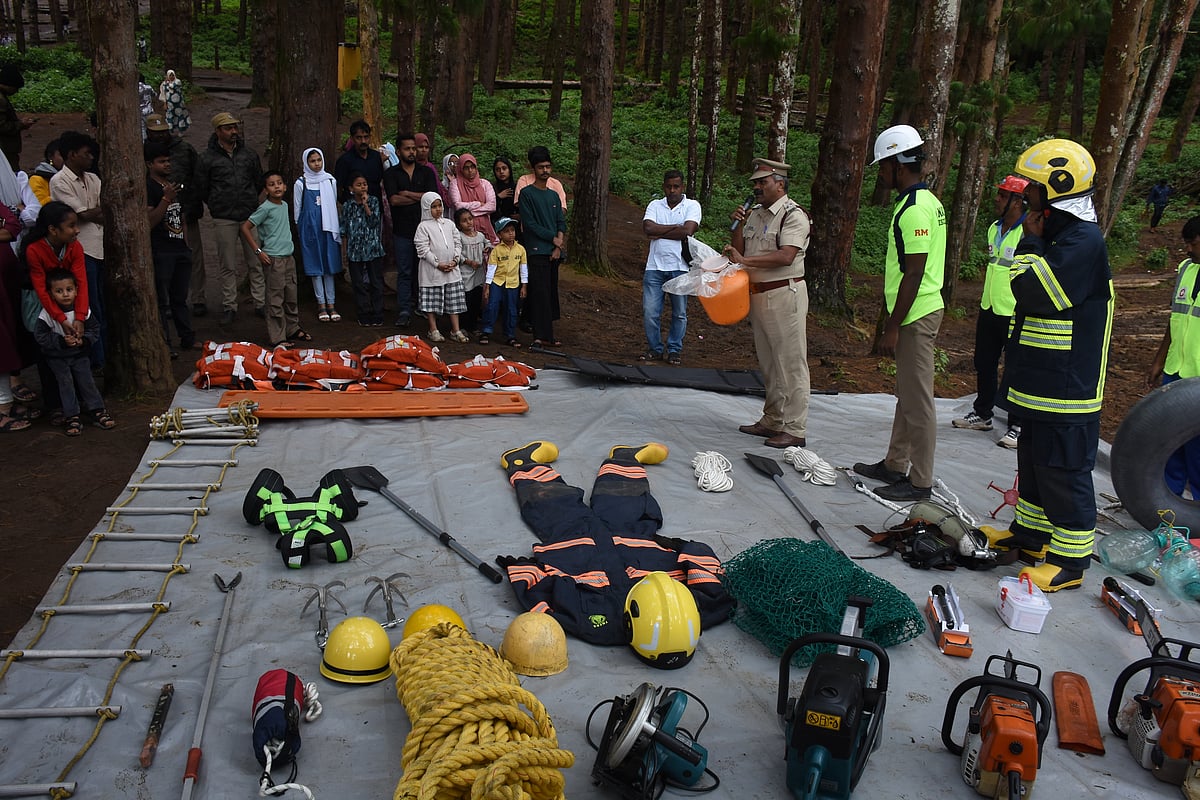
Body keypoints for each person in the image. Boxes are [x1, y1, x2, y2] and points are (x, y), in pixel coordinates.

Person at [982, 139, 1114, 593]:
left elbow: (1034, 289)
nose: (1023, 197)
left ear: (1055, 190)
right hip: (1041, 381)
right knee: (1035, 463)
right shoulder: (1060, 235)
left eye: (1030, 189)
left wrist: (1031, 240)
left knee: (1064, 470)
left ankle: (1070, 561)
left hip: (1067, 386)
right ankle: (1031, 536)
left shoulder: (1082, 240)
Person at [494, 440, 734, 645]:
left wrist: (524, 568)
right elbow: (711, 577)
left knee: (555, 507)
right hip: (632, 540)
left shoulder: (594, 626)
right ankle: (625, 459)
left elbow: (537, 597)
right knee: (625, 504)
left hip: (575, 546)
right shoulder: (698, 610)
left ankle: (523, 463)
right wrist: (681, 547)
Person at [852, 125, 946, 501]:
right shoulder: (923, 202)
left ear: (897, 164)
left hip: (916, 314)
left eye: (883, 166)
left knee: (918, 400)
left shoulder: (915, 210)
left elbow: (915, 271)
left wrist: (892, 327)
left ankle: (920, 481)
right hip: (915, 310)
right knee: (906, 393)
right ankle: (895, 464)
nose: (881, 174)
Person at [952, 174, 1028, 448]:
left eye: (1003, 195)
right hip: (990, 306)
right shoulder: (993, 228)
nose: (997, 199)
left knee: (1016, 368)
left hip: (1014, 310)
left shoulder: (1027, 233)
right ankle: (983, 413)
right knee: (984, 361)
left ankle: (1018, 424)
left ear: (1018, 201)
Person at [195, 111, 265, 326]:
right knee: (227, 264)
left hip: (249, 216)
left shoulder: (249, 155)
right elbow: (201, 187)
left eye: (235, 127)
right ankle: (229, 305)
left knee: (257, 260)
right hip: (223, 217)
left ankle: (260, 303)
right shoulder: (207, 158)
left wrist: (252, 201)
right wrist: (217, 204)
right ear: (218, 131)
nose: (234, 131)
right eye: (228, 128)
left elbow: (258, 180)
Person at [1146, 215, 1200, 497]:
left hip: (1198, 379)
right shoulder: (1186, 269)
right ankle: (1168, 511)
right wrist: (1158, 360)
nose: (1188, 250)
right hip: (1175, 370)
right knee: (1171, 445)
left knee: (1197, 450)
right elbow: (1176, 319)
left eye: (1193, 243)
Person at [49, 130, 105, 371]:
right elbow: (82, 214)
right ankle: (96, 359)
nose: (91, 158)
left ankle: (103, 356)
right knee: (89, 306)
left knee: (103, 303)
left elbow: (98, 211)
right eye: (86, 154)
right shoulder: (59, 181)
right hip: (81, 250)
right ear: (72, 155)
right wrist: (101, 212)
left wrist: (99, 212)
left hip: (101, 247)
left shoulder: (93, 178)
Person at [33, 268, 113, 436]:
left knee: (87, 382)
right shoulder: (47, 314)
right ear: (51, 293)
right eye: (59, 291)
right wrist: (61, 341)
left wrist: (83, 341)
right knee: (65, 385)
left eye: (69, 289)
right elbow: (41, 336)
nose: (65, 294)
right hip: (57, 359)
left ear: (76, 290)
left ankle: (97, 410)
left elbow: (94, 329)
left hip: (79, 355)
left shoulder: (83, 311)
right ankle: (71, 415)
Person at [145, 114, 208, 317]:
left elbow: (198, 175)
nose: (160, 135)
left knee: (193, 256)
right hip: (156, 215)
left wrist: (194, 202)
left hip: (186, 211)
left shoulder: (184, 148)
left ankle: (198, 298)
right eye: (155, 132)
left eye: (163, 131)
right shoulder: (143, 151)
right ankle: (165, 303)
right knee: (162, 264)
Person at [241, 171, 309, 348]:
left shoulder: (284, 205)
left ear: (285, 187)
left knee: (291, 295)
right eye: (272, 184)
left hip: (288, 258)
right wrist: (258, 251)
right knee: (275, 299)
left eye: (279, 183)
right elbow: (246, 227)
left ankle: (292, 328)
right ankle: (278, 337)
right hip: (273, 259)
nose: (277, 186)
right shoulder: (264, 208)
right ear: (265, 190)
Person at [642, 169, 701, 366]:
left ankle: (674, 349)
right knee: (650, 311)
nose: (672, 190)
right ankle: (655, 348)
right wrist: (676, 228)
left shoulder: (692, 205)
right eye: (669, 186)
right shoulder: (654, 205)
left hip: (681, 267)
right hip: (654, 267)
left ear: (682, 187)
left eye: (676, 186)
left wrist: (661, 231)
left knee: (680, 312)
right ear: (664, 187)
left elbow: (688, 231)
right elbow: (648, 229)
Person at [382, 133, 439, 327]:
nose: (412, 152)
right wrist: (419, 197)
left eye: (414, 148)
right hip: (403, 231)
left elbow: (432, 198)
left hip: (425, 231)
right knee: (405, 271)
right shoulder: (391, 174)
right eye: (408, 149)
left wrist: (406, 193)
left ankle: (424, 307)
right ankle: (404, 310)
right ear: (398, 151)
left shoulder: (426, 172)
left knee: (424, 271)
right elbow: (394, 200)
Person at [144, 141, 193, 359]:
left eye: (168, 160)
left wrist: (186, 243)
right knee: (162, 300)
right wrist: (165, 199)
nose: (167, 165)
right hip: (161, 250)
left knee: (180, 297)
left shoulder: (173, 185)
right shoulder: (149, 188)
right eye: (161, 161)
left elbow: (181, 216)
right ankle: (165, 342)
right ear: (149, 164)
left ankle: (187, 337)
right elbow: (149, 220)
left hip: (179, 248)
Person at [517, 146, 566, 347]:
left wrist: (558, 244)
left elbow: (560, 222)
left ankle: (549, 335)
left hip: (553, 252)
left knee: (550, 291)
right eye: (541, 167)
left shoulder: (554, 195)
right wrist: (552, 239)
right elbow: (529, 224)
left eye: (547, 166)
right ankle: (539, 335)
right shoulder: (526, 194)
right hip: (535, 250)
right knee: (538, 293)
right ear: (533, 169)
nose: (545, 170)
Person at [293, 147, 342, 323]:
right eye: (312, 161)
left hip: (327, 227)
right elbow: (297, 210)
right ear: (306, 162)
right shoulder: (301, 183)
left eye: (318, 160)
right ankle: (320, 303)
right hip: (310, 229)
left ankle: (332, 303)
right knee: (315, 266)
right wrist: (302, 229)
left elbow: (332, 204)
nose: (316, 164)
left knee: (329, 265)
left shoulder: (330, 181)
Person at [413, 191, 468, 343]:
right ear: (426, 208)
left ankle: (455, 330)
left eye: (439, 206)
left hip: (451, 269)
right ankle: (433, 329)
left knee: (453, 301)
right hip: (433, 270)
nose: (438, 209)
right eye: (434, 207)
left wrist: (455, 260)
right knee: (432, 300)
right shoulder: (423, 227)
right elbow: (422, 248)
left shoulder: (449, 223)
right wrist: (438, 264)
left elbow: (458, 242)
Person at [0, 198, 32, 431]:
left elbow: (13, 226)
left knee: (7, 341)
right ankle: (2, 409)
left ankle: (6, 404)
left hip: (4, 284)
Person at [340, 171, 386, 327]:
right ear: (351, 188)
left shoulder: (373, 201)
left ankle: (378, 312)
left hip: (373, 249)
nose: (362, 187)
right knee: (358, 283)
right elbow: (344, 229)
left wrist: (366, 204)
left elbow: (374, 222)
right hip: (355, 250)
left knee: (376, 282)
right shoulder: (348, 205)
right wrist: (344, 251)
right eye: (358, 185)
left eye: (364, 184)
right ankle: (363, 312)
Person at [478, 216, 527, 347]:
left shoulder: (520, 249)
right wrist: (487, 287)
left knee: (511, 309)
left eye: (512, 230)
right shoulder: (496, 251)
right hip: (497, 282)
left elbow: (523, 269)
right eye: (506, 231)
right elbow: (491, 269)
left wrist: (524, 286)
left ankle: (510, 335)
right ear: (499, 234)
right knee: (492, 306)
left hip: (513, 283)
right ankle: (486, 331)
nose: (511, 233)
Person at [448, 153, 498, 244]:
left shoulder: (485, 184)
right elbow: (458, 206)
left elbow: (492, 206)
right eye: (466, 168)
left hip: (485, 227)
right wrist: (478, 204)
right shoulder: (455, 184)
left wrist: (471, 213)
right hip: (464, 231)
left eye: (472, 167)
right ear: (461, 169)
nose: (470, 170)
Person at [333, 119, 385, 204]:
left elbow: (380, 181)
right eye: (359, 138)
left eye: (366, 137)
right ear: (352, 139)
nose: (363, 141)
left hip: (375, 208)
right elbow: (338, 187)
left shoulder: (376, 157)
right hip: (354, 210)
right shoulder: (345, 160)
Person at [455, 207, 488, 333]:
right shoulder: (459, 237)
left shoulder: (480, 235)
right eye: (464, 221)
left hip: (478, 273)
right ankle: (464, 325)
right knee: (466, 300)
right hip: (466, 273)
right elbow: (457, 253)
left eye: (470, 219)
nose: (469, 222)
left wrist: (487, 248)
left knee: (476, 299)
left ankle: (473, 326)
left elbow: (488, 243)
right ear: (459, 225)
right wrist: (468, 262)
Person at [0, 65, 32, 171]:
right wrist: (21, 124)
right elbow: (2, 126)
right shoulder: (1, 100)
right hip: (5, 149)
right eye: (15, 88)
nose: (16, 92)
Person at [27, 139, 60, 205]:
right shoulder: (37, 179)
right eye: (62, 155)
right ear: (50, 156)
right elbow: (38, 205)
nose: (66, 158)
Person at [159, 69, 191, 134]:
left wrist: (167, 83)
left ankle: (181, 131)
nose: (171, 77)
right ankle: (170, 131)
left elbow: (173, 87)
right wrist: (164, 103)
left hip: (178, 104)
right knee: (169, 117)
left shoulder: (177, 81)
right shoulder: (164, 84)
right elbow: (163, 94)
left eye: (172, 75)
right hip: (169, 104)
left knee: (180, 116)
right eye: (170, 75)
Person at [491, 156, 516, 224]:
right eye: (498, 169)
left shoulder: (517, 186)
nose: (501, 172)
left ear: (509, 169)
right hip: (498, 223)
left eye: (504, 168)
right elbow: (488, 206)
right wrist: (498, 197)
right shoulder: (491, 187)